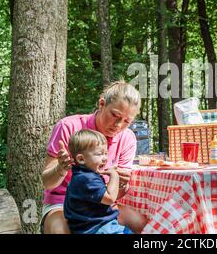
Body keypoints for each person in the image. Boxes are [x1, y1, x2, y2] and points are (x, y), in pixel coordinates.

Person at [41, 80, 148, 234]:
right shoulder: (69, 126)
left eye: (127, 121)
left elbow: (115, 194)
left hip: (101, 204)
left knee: (143, 225)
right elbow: (47, 183)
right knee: (61, 231)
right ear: (102, 104)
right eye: (115, 115)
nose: (118, 125)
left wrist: (122, 183)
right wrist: (60, 168)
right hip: (63, 203)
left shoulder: (127, 138)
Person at [64, 129, 132, 234]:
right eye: (99, 154)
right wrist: (114, 176)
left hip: (91, 226)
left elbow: (101, 196)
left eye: (106, 153)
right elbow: (109, 198)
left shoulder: (82, 175)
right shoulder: (87, 179)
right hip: (97, 227)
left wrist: (121, 187)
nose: (105, 158)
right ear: (81, 159)